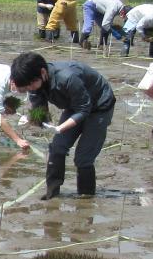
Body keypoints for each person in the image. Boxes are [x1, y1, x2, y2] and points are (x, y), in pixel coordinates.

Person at [10, 52, 114, 200]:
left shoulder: (67, 77)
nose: (30, 89)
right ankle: (52, 193)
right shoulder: (33, 85)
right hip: (74, 106)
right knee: (57, 147)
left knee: (83, 157)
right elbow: (40, 110)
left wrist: (61, 127)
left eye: (31, 84)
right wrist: (32, 118)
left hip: (99, 107)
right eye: (26, 87)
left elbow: (84, 109)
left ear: (43, 72)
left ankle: (85, 198)